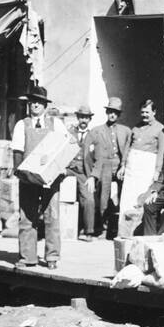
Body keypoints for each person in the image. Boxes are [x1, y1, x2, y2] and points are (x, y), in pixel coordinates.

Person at [10, 88, 67, 269]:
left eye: (39, 102)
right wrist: (21, 174)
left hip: (50, 179)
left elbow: (66, 145)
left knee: (52, 216)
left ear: (45, 105)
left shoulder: (55, 124)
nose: (35, 105)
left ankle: (52, 257)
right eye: (32, 101)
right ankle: (27, 257)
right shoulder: (22, 125)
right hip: (28, 178)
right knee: (27, 217)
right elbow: (18, 152)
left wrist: (60, 170)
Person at [85, 96, 131, 238]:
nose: (112, 114)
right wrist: (91, 174)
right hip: (104, 166)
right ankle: (102, 227)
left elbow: (129, 150)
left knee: (124, 198)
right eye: (110, 111)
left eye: (115, 112)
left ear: (119, 114)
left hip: (120, 166)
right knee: (103, 199)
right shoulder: (96, 130)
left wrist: (124, 165)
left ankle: (119, 230)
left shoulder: (126, 131)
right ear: (107, 112)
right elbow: (86, 152)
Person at [122, 98, 164, 211]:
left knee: (141, 196)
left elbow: (161, 151)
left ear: (154, 112)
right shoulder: (135, 128)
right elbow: (128, 146)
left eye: (147, 112)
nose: (144, 115)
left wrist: (157, 170)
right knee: (128, 197)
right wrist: (123, 165)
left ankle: (139, 227)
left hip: (146, 169)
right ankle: (125, 227)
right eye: (142, 112)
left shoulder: (160, 129)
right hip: (131, 170)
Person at [65, 103, 97, 240]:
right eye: (81, 117)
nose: (83, 120)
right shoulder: (69, 131)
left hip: (84, 172)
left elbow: (99, 157)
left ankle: (89, 231)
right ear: (78, 118)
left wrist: (92, 176)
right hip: (68, 168)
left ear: (90, 120)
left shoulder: (94, 135)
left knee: (89, 199)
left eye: (86, 118)